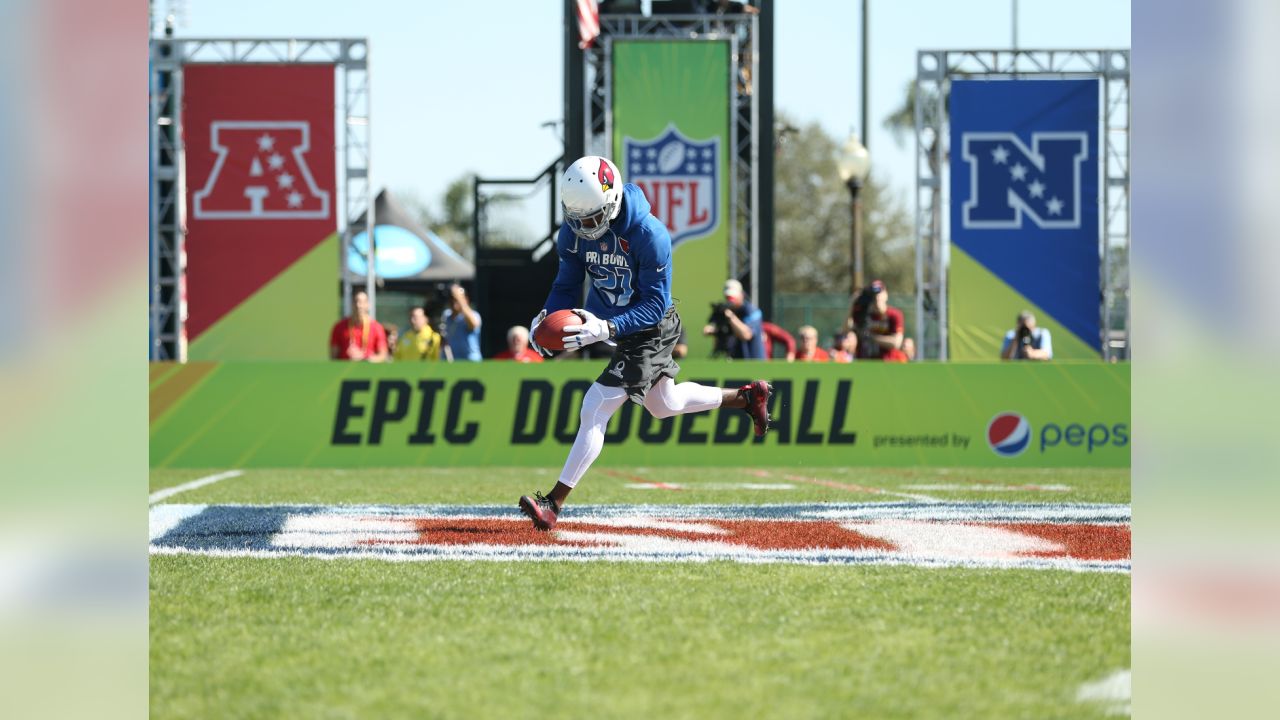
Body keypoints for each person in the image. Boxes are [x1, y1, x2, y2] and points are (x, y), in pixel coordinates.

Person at [519, 155, 773, 530]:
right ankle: (746, 398)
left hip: (651, 327)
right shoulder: (573, 230)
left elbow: (655, 304)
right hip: (613, 322)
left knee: (595, 406)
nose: (585, 229)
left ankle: (553, 504)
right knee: (662, 404)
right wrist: (545, 320)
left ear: (612, 202)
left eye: (592, 219)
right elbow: (566, 285)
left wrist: (608, 327)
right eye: (578, 220)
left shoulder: (648, 234)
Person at [847, 279, 909, 362]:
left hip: (888, 363)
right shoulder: (864, 314)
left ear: (886, 295)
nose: (877, 297)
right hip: (865, 362)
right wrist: (853, 306)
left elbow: (896, 343)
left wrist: (871, 338)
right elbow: (846, 330)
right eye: (874, 294)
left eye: (880, 293)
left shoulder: (894, 315)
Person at [703, 278, 766, 359]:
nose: (730, 301)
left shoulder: (752, 311)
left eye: (733, 297)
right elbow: (712, 331)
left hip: (753, 362)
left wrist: (731, 317)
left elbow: (746, 335)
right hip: (734, 362)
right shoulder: (724, 310)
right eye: (728, 297)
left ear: (741, 294)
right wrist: (715, 330)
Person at [328, 289, 389, 362]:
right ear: (351, 304)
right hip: (346, 370)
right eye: (356, 301)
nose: (358, 305)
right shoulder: (339, 327)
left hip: (368, 370)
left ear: (368, 305)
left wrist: (367, 359)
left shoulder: (377, 327)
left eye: (362, 302)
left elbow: (383, 355)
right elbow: (333, 357)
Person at [442, 283, 482, 361]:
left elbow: (473, 324)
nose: (454, 302)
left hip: (470, 363)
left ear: (466, 300)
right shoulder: (446, 315)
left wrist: (459, 297)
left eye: (456, 299)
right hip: (452, 363)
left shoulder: (474, 315)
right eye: (452, 299)